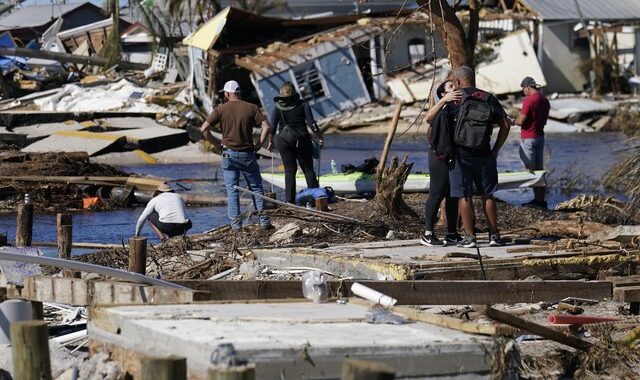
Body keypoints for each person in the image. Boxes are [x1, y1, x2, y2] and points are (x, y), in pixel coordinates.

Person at [449, 66, 511, 248]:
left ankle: (470, 237)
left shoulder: (455, 99)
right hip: (485, 154)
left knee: (464, 196)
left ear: (459, 82)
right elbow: (505, 125)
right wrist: (496, 149)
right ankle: (494, 236)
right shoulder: (488, 98)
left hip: (460, 155)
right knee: (487, 194)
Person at [200, 80, 272, 230]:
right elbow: (266, 127)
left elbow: (204, 129)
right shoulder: (252, 107)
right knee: (257, 188)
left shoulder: (220, 109)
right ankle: (264, 222)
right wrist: (258, 145)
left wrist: (216, 143)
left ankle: (236, 227)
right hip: (247, 153)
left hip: (228, 154)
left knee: (232, 191)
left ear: (227, 94)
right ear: (239, 93)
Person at [420, 79, 463, 246]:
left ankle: (452, 233)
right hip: (438, 157)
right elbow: (428, 118)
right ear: (443, 94)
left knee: (453, 196)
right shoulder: (442, 108)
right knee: (436, 194)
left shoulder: (458, 108)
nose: (455, 88)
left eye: (455, 85)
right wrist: (443, 100)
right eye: (450, 87)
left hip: (453, 157)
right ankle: (427, 234)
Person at [269, 82, 324, 203]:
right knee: (308, 169)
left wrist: (270, 141)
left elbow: (272, 127)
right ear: (294, 93)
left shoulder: (277, 107)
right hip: (302, 140)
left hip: (283, 141)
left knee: (289, 170)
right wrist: (320, 138)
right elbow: (312, 124)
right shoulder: (303, 104)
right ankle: (316, 199)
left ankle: (290, 201)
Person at [515, 76, 550, 209]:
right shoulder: (544, 99)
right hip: (540, 137)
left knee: (530, 171)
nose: (523, 91)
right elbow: (545, 120)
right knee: (539, 170)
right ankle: (540, 200)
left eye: (523, 89)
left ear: (527, 87)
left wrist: (512, 120)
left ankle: (537, 200)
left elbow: (521, 121)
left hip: (528, 138)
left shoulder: (529, 100)